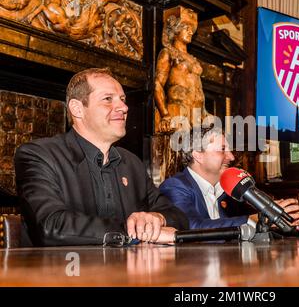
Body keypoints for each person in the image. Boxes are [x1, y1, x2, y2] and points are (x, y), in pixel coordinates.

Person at [14, 68, 188, 246]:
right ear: (77, 109)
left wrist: (155, 218)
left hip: (128, 271)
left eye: (122, 100)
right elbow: (51, 226)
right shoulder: (38, 155)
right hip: (64, 270)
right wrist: (137, 232)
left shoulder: (131, 163)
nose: (124, 107)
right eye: (107, 99)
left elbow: (177, 216)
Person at [159, 126, 299, 229]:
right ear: (197, 155)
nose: (231, 156)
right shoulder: (175, 186)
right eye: (222, 150)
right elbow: (190, 227)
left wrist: (278, 216)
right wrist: (255, 220)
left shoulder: (230, 188)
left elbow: (248, 220)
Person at [154, 6, 211, 133]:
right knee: (177, 149)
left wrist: (204, 112)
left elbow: (198, 88)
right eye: (187, 28)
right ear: (175, 30)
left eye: (192, 29)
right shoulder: (168, 53)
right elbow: (157, 84)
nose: (191, 32)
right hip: (178, 109)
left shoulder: (193, 59)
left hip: (197, 113)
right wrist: (165, 114)